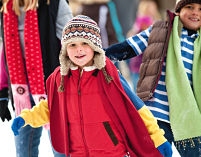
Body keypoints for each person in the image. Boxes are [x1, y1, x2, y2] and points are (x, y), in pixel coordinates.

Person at [11, 15, 172, 157]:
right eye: (72, 45)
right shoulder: (61, 78)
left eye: (84, 43)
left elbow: (137, 108)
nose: (78, 48)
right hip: (77, 152)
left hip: (112, 151)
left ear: (95, 47)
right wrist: (27, 117)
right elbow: (51, 107)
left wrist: (157, 137)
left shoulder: (108, 75)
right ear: (65, 50)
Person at [105, 0, 201, 156]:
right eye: (190, 7)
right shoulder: (159, 31)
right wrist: (100, 55)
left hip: (188, 117)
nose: (195, 12)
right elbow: (128, 47)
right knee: (153, 153)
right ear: (178, 10)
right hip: (155, 114)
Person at [0, 0, 72, 157]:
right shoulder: (6, 6)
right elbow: (6, 51)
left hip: (53, 90)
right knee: (24, 153)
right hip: (21, 93)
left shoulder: (55, 4)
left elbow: (71, 45)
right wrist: (3, 91)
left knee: (62, 151)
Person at [127, 0, 161, 91]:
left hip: (150, 62)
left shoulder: (157, 21)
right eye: (149, 8)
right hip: (139, 61)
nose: (151, 10)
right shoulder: (142, 21)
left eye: (153, 8)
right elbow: (131, 35)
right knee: (137, 88)